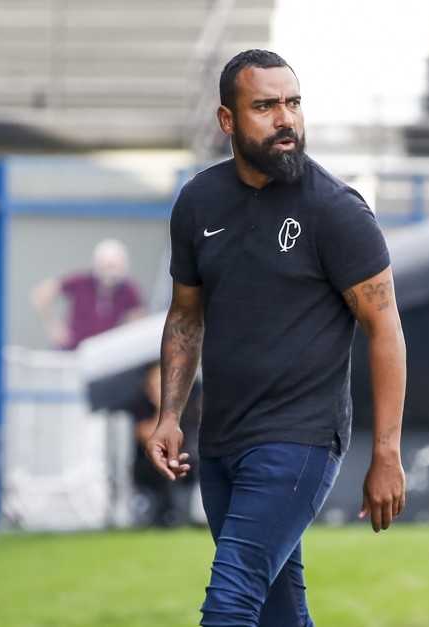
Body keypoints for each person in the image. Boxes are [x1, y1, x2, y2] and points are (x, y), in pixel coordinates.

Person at [146, 49, 407, 626]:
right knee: (278, 615)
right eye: (264, 106)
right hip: (220, 442)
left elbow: (384, 329)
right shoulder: (198, 202)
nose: (285, 118)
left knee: (230, 604)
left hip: (299, 440)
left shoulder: (336, 211)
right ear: (227, 120)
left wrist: (386, 453)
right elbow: (186, 316)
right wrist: (170, 415)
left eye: (292, 103)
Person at [30, 238, 145, 350]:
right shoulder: (81, 281)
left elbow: (138, 323)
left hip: (106, 352)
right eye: (107, 267)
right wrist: (54, 327)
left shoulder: (128, 290)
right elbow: (41, 294)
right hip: (74, 350)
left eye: (116, 267)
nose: (112, 273)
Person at [129, 361, 200, 527]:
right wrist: (164, 410)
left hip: (187, 462)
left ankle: (184, 514)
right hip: (152, 467)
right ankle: (170, 516)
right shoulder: (141, 409)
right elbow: (146, 437)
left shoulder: (191, 408)